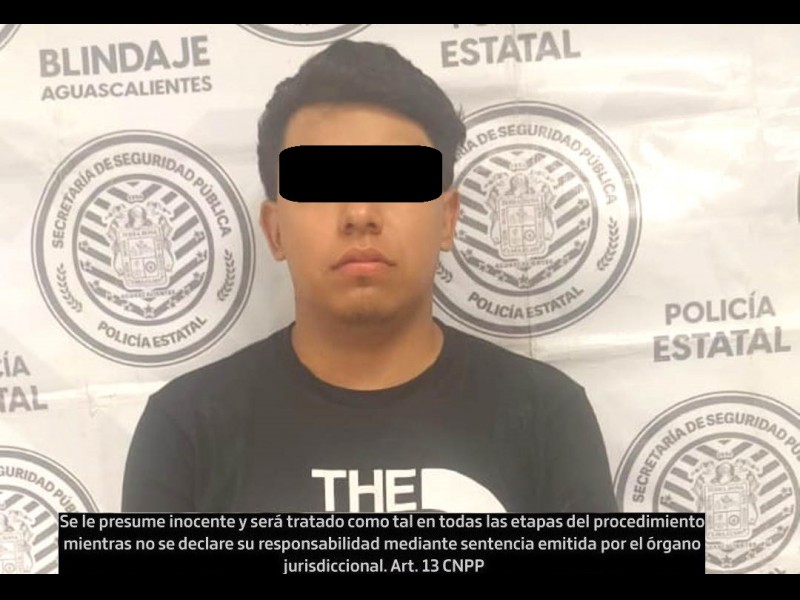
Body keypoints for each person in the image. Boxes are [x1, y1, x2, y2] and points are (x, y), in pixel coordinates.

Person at [121, 39, 618, 514]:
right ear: (275, 231)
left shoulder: (548, 416)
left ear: (447, 219)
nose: (360, 213)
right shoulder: (185, 430)